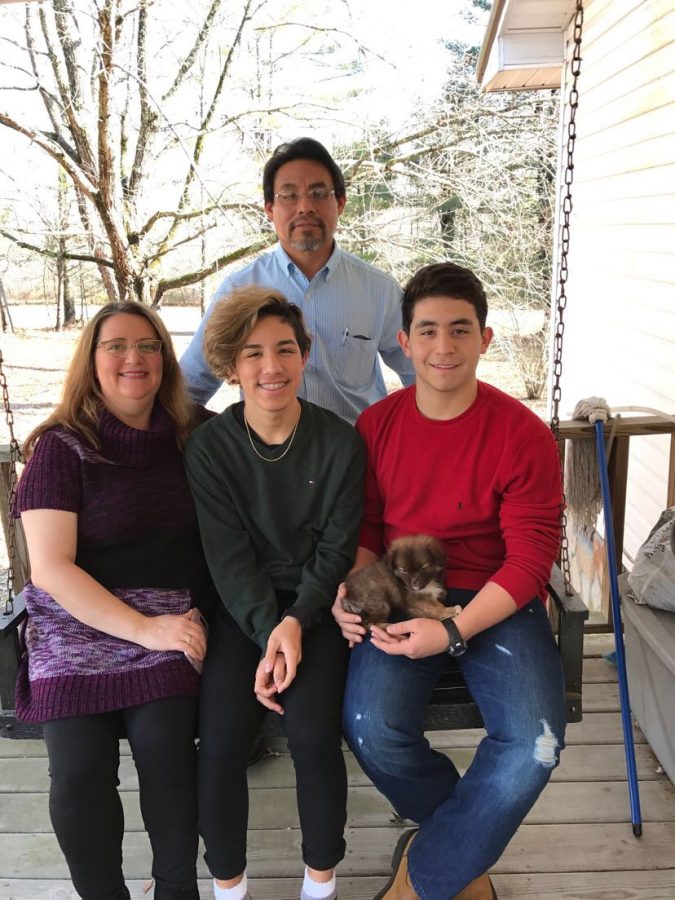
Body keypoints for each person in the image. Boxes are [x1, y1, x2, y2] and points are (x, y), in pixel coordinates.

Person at [332, 262, 566, 900]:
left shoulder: (521, 435)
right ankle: (459, 851)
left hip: (498, 599)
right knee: (369, 724)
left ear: (485, 339)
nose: (444, 347)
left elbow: (528, 562)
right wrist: (353, 589)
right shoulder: (376, 426)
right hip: (403, 590)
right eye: (427, 331)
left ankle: (424, 879)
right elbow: (368, 533)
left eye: (460, 330)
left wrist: (454, 631)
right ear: (403, 342)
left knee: (535, 744)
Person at [13, 301, 213, 900]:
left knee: (167, 755)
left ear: (165, 360)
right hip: (73, 625)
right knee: (78, 775)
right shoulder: (61, 447)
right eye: (116, 346)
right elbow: (50, 568)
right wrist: (145, 629)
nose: (134, 358)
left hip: (170, 618)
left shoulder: (195, 435)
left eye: (148, 346)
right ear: (91, 361)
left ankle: (177, 889)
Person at [184, 286, 365, 900]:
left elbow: (338, 548)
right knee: (223, 739)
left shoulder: (339, 443)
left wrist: (297, 622)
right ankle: (229, 886)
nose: (271, 367)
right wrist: (271, 631)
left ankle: (320, 883)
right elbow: (229, 558)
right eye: (253, 353)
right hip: (244, 611)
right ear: (230, 366)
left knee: (314, 734)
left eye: (285, 349)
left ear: (305, 354)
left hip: (318, 607)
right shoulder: (209, 449)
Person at [180, 136, 414, 423]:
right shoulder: (239, 290)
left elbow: (422, 376)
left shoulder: (379, 291)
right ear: (269, 209)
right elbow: (191, 387)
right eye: (289, 196)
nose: (305, 207)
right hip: (266, 461)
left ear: (340, 202)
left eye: (318, 193)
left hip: (356, 458)